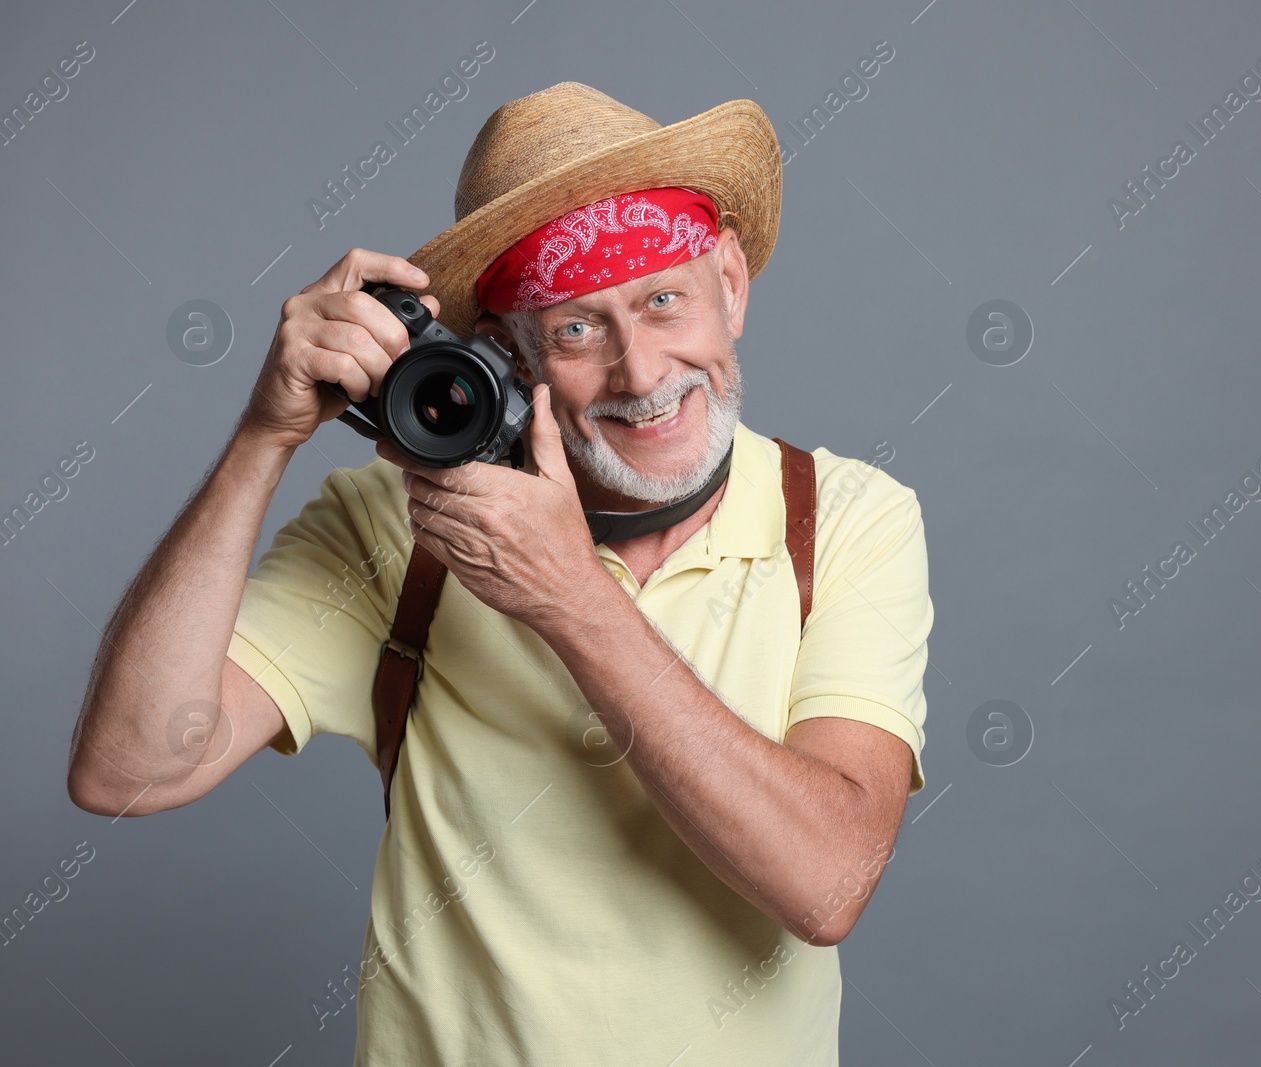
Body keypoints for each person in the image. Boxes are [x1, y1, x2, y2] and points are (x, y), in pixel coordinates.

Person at [66, 82, 933, 1065]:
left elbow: (826, 886)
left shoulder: (845, 520)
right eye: (574, 329)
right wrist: (263, 439)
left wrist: (571, 595)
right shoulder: (397, 532)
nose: (642, 373)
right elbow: (128, 768)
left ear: (729, 282)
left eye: (662, 301)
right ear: (506, 355)